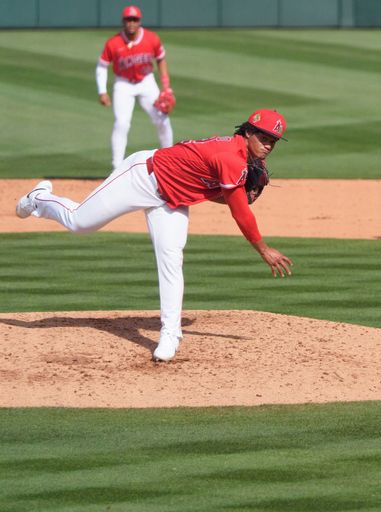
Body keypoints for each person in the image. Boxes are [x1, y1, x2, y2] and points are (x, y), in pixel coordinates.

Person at [15, 109, 293, 362]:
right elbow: (239, 212)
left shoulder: (239, 158)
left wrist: (238, 196)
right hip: (141, 178)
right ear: (248, 132)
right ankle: (40, 198)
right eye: (264, 136)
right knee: (79, 223)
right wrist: (263, 249)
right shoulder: (230, 158)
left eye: (274, 140)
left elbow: (212, 192)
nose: (268, 144)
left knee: (172, 258)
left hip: (170, 200)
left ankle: (170, 334)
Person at [96, 5, 174, 170]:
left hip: (146, 82)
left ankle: (170, 161)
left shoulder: (151, 39)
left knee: (162, 120)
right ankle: (117, 168)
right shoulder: (113, 43)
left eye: (135, 20)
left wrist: (166, 87)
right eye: (128, 19)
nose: (131, 23)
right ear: (123, 21)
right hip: (123, 84)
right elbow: (102, 66)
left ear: (139, 21)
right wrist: (102, 91)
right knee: (122, 123)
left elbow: (161, 59)